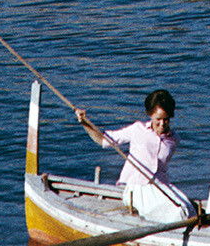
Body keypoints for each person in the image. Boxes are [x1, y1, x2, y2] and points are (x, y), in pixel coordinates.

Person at [76, 88, 191, 226]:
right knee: (178, 214)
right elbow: (104, 140)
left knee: (189, 209)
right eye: (158, 119)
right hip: (137, 188)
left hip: (161, 186)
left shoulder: (174, 139)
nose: (162, 124)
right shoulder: (137, 130)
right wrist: (85, 123)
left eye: (166, 120)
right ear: (150, 115)